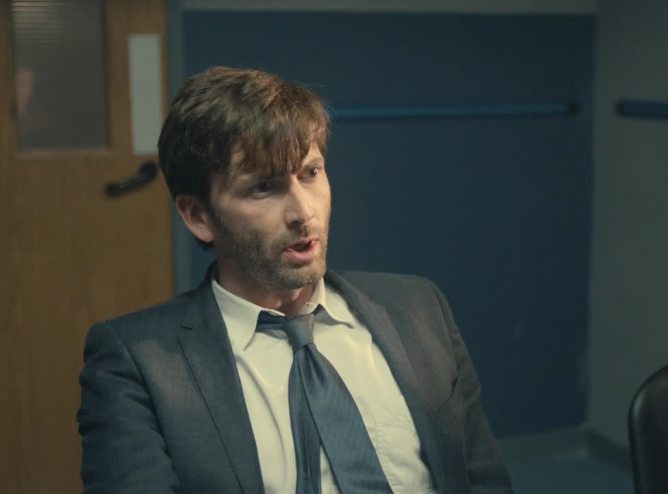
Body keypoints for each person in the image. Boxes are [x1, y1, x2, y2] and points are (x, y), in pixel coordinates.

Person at [77, 66, 512, 494]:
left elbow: (483, 480)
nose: (303, 212)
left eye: (310, 173)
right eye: (263, 187)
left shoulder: (418, 309)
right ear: (198, 215)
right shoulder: (138, 363)